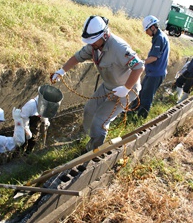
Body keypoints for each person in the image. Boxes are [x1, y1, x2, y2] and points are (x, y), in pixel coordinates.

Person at [51, 15, 144, 151]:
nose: (91, 44)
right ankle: (91, 137)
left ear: (105, 35)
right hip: (108, 86)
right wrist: (61, 71)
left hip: (127, 90)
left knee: (100, 120)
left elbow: (139, 67)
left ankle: (94, 151)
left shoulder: (119, 48)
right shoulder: (93, 47)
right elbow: (77, 57)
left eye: (94, 40)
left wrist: (125, 88)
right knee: (89, 110)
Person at [130, 15, 170, 119]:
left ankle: (140, 119)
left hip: (156, 74)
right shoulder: (160, 36)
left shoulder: (159, 38)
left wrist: (141, 62)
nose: (146, 33)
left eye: (146, 30)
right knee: (141, 92)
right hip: (154, 72)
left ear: (153, 27)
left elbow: (154, 57)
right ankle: (132, 111)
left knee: (147, 97)